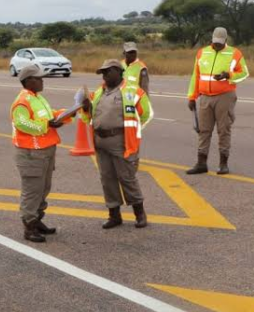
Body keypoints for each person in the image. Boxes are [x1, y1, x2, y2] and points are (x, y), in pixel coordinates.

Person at [80, 59, 153, 229]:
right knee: (107, 179)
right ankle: (114, 215)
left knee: (127, 178)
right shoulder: (99, 91)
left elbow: (146, 114)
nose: (104, 75)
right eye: (102, 73)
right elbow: (88, 115)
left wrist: (132, 131)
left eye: (107, 72)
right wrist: (85, 107)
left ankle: (139, 213)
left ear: (118, 72)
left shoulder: (133, 91)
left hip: (121, 141)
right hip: (100, 141)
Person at [11, 64, 71, 243]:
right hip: (32, 153)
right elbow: (22, 123)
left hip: (44, 151)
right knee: (32, 191)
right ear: (28, 81)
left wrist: (66, 114)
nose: (42, 81)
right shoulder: (22, 101)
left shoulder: (37, 98)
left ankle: (36, 221)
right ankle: (29, 226)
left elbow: (48, 115)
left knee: (43, 188)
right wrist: (47, 125)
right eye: (38, 78)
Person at [186, 27, 249, 175]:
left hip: (225, 96)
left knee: (223, 130)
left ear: (226, 41)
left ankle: (223, 164)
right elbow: (196, 76)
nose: (217, 45)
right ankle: (201, 163)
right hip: (205, 97)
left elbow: (244, 73)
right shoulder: (202, 53)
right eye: (215, 42)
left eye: (220, 43)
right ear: (211, 39)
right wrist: (191, 96)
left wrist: (228, 75)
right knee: (203, 130)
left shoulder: (235, 53)